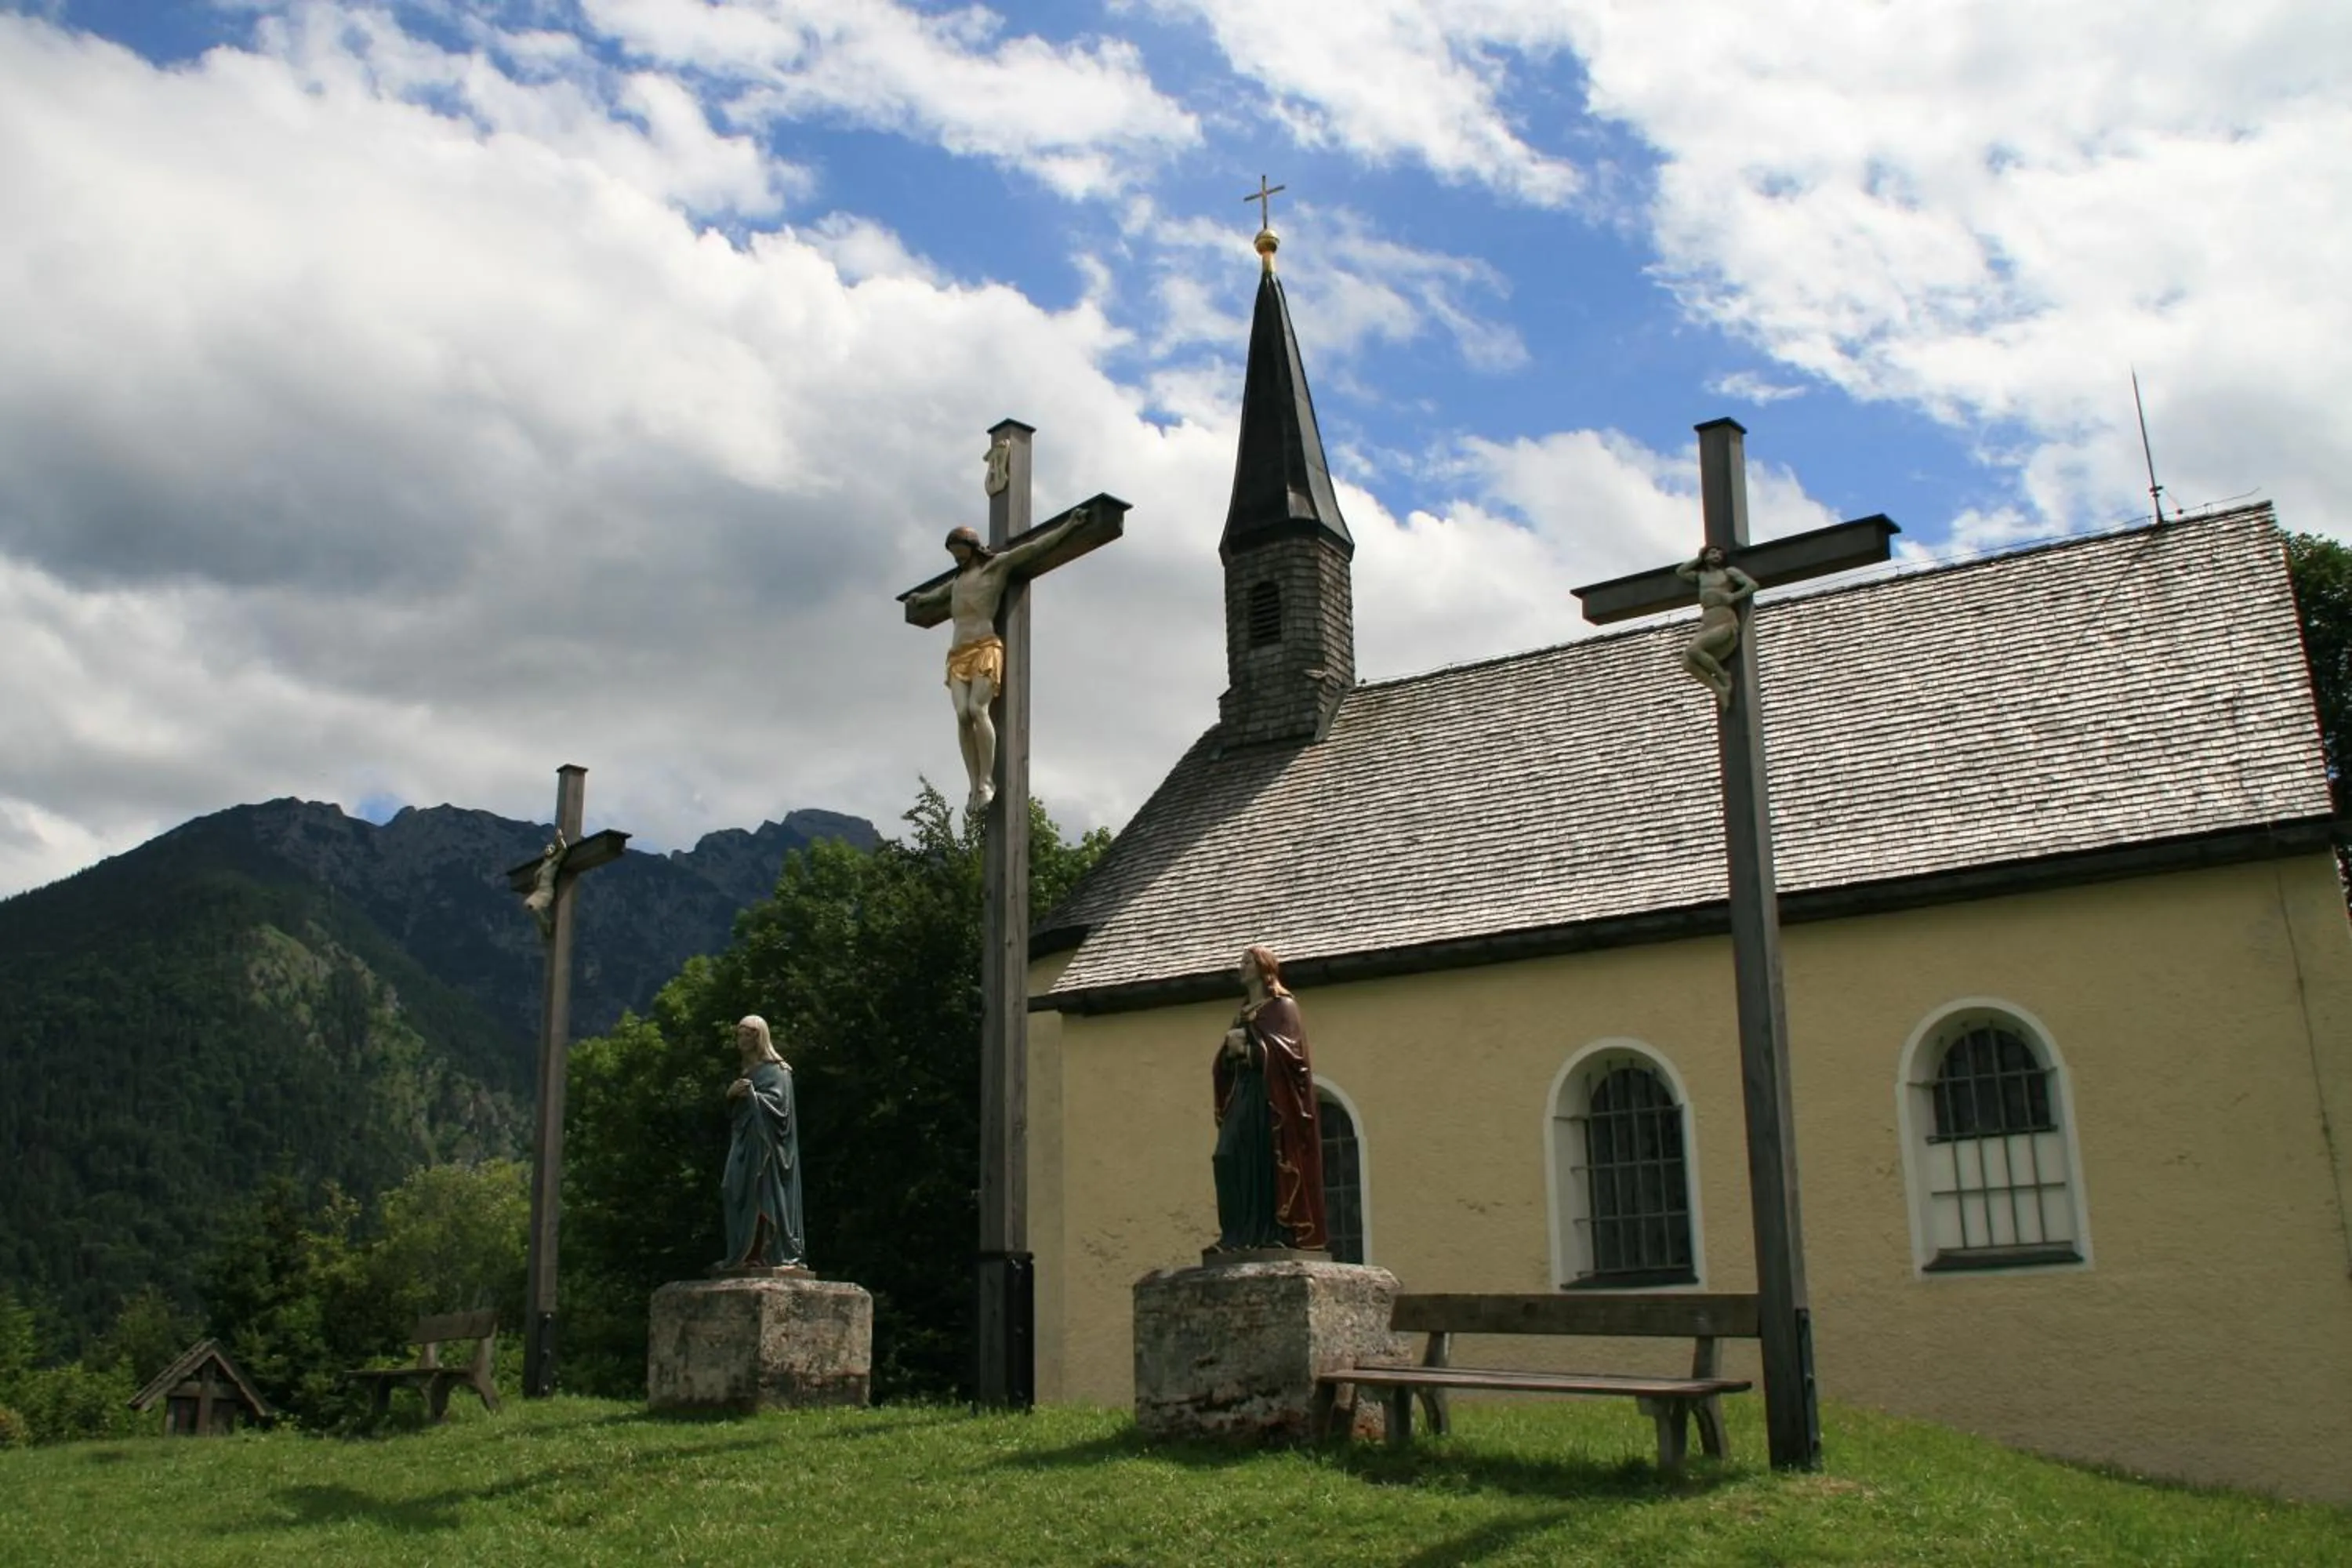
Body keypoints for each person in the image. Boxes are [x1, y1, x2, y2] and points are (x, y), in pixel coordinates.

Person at [902, 503, 1090, 814]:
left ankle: (986, 780)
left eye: (959, 551)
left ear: (973, 547)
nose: (956, 558)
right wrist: (918, 600)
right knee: (962, 714)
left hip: (985, 647)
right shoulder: (957, 582)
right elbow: (932, 598)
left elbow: (1034, 548)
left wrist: (1070, 526)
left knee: (978, 709)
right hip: (957, 654)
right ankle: (973, 782)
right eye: (953, 554)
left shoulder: (996, 567)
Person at [1210, 946, 1328, 1253]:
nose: (1242, 967)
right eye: (1241, 962)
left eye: (1248, 962)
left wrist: (1249, 1052)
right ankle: (1236, 1235)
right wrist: (1227, 1056)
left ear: (1264, 968)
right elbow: (1228, 1060)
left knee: (1268, 1159)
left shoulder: (1283, 1006)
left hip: (1274, 1097)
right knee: (1228, 1156)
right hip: (1244, 1092)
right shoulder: (1242, 1012)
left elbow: (1291, 1057)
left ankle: (1276, 1233)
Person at [722, 1014, 805, 1271]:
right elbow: (736, 1114)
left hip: (769, 1148)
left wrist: (752, 1095)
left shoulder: (778, 1070)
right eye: (739, 1035)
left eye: (745, 1035)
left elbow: (781, 1111)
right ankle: (741, 1252)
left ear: (758, 1037)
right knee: (731, 1187)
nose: (740, 1041)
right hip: (746, 1142)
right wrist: (732, 1094)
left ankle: (764, 1253)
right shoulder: (748, 1070)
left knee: (763, 1194)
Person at [1675, 543, 1759, 707]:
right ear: (1705, 557)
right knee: (1687, 662)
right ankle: (1719, 689)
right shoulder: (1701, 576)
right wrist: (1698, 559)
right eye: (1712, 552)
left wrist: (1734, 597)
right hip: (1707, 620)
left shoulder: (1729, 573)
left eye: (1719, 552)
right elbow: (1681, 571)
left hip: (1724, 618)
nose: (1717, 554)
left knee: (1693, 650)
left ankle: (1723, 677)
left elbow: (1752, 585)